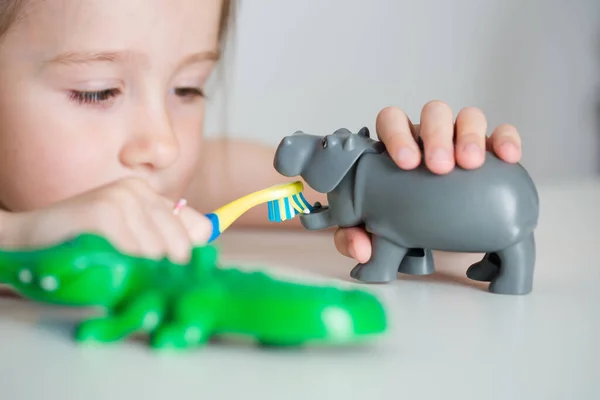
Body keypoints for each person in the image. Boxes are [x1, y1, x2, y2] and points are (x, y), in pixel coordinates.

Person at [0, 0, 522, 265]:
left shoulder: (188, 175)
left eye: (187, 89)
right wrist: (18, 239)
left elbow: (316, 192)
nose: (164, 146)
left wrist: (413, 184)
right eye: (97, 92)